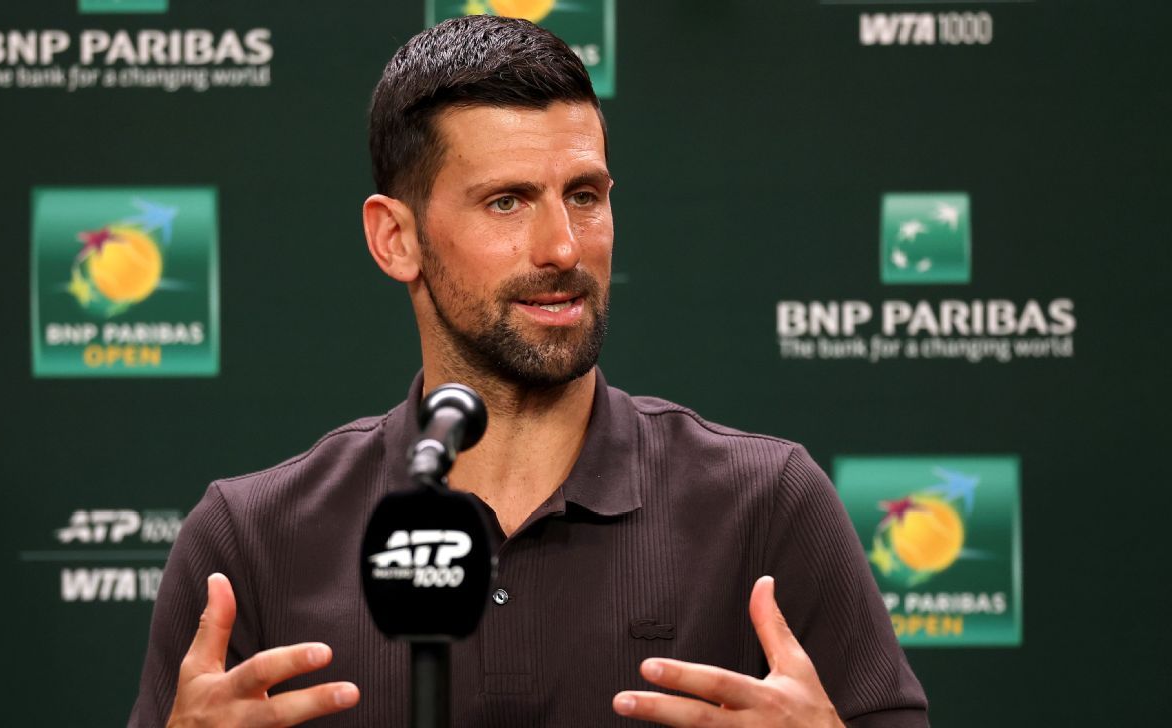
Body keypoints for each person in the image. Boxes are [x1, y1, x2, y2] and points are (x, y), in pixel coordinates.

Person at [130, 15, 928, 728]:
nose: (563, 247)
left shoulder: (767, 506)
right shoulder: (252, 541)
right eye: (507, 202)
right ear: (395, 239)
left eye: (584, 195)